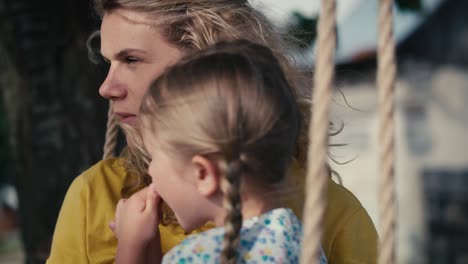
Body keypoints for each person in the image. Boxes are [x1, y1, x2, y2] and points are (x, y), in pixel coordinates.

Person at [47, 1, 378, 263]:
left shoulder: (328, 211)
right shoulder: (96, 194)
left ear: (206, 64)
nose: (106, 88)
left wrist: (131, 249)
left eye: (131, 59)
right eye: (108, 63)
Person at [113, 40, 328, 264]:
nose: (151, 170)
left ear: (203, 174)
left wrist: (130, 244)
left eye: (154, 157)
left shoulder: (198, 256)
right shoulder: (302, 241)